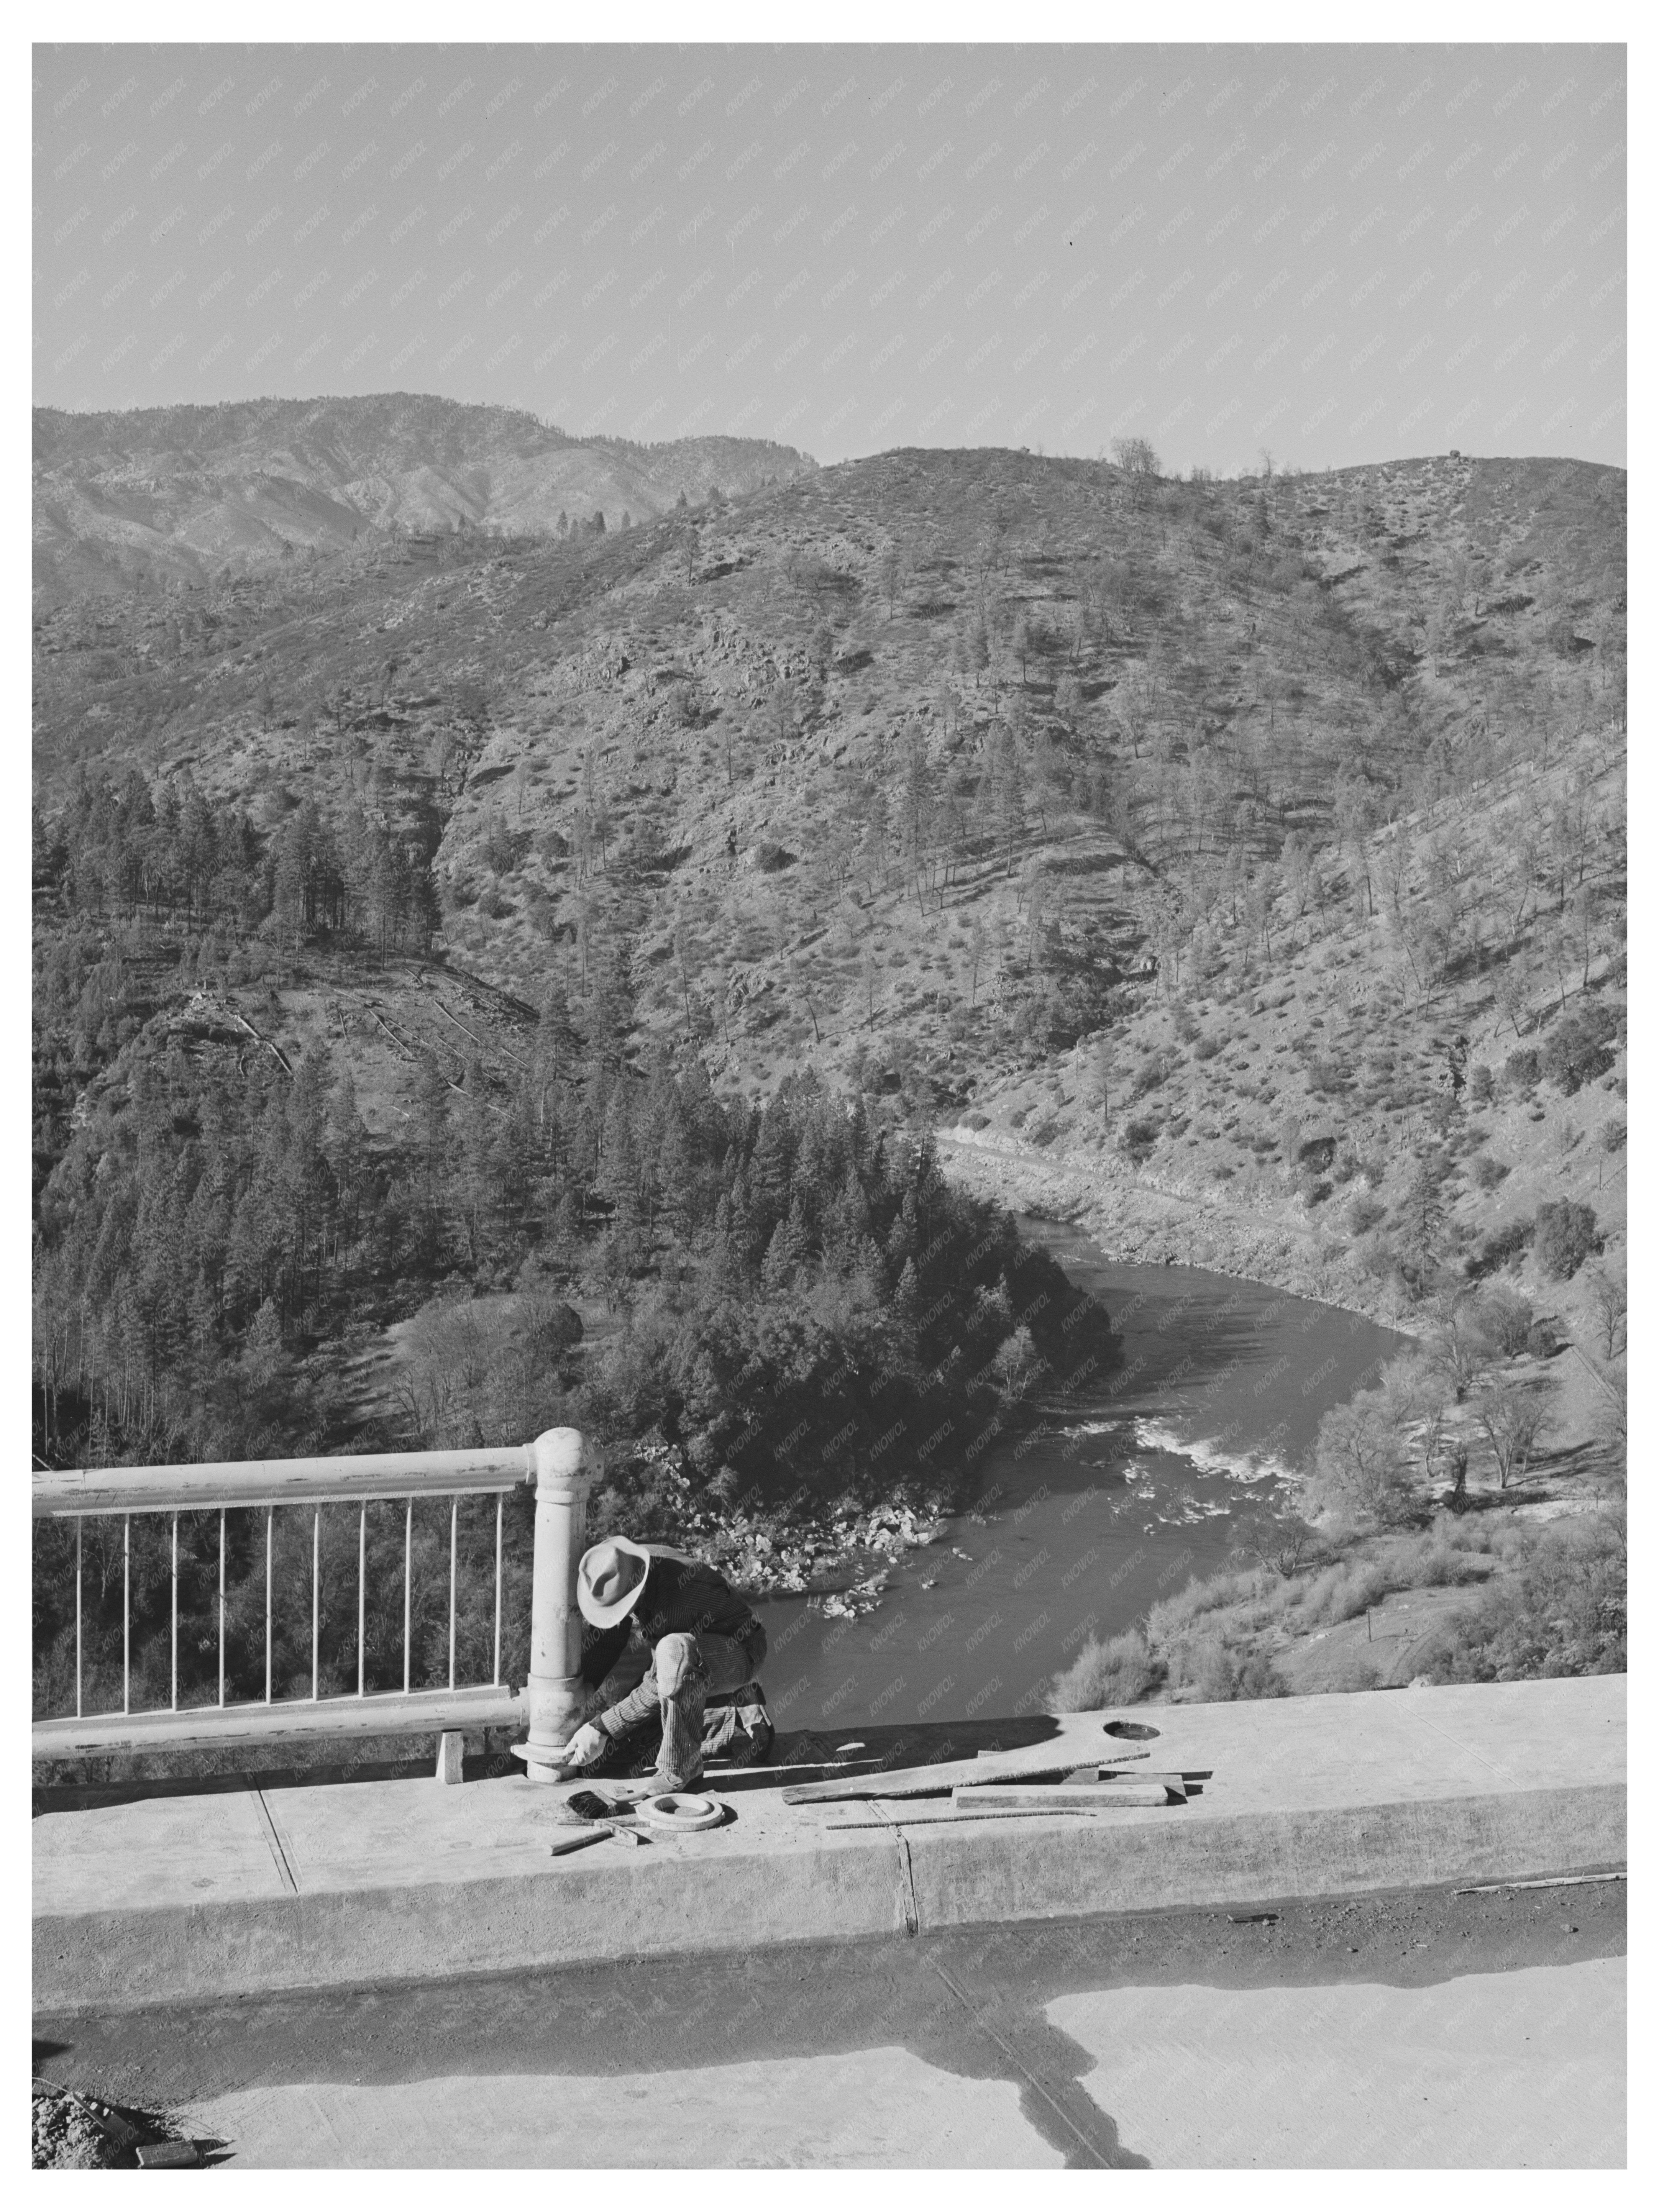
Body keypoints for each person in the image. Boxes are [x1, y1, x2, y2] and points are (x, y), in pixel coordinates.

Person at [559, 1536, 768, 1791]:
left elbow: (659, 1681)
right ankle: (723, 1705)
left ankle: (684, 1766)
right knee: (614, 1755)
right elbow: (607, 1642)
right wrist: (578, 1701)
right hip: (686, 1654)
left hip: (738, 1651)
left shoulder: (677, 1602)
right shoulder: (625, 1565)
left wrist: (600, 1727)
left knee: (672, 1656)